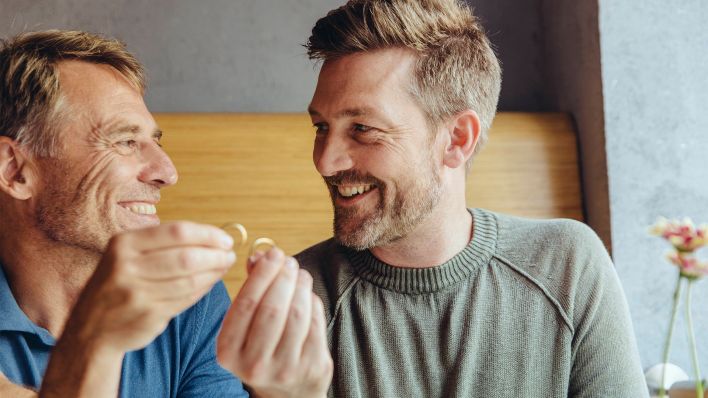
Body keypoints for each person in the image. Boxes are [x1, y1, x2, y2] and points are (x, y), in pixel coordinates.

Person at [283, 0, 649, 396]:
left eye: (363, 128)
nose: (325, 161)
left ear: (457, 139)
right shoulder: (297, 301)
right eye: (321, 126)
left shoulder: (567, 267)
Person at [0, 30, 251, 397]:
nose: (167, 172)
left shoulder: (190, 301)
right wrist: (96, 343)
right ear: (14, 170)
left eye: (154, 141)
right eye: (125, 141)